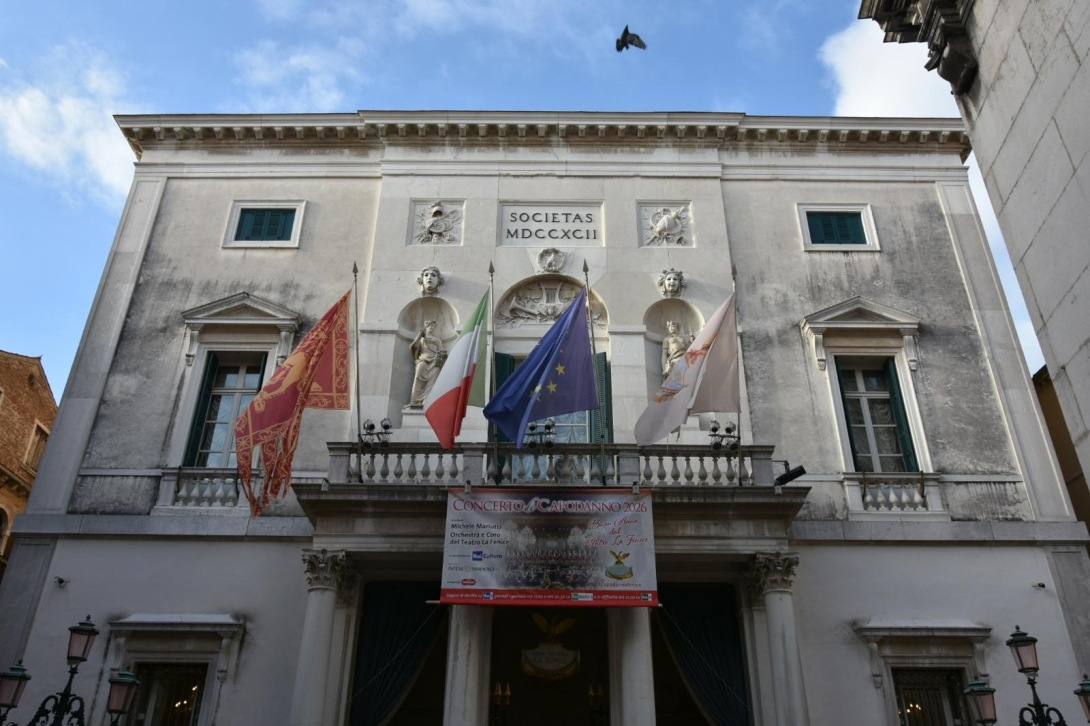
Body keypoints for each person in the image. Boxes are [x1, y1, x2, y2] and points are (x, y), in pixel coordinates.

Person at [409, 320, 447, 405]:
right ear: (426, 327)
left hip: (434, 363)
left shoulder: (437, 340)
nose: (433, 328)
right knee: (418, 378)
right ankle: (414, 400)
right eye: (431, 326)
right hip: (423, 361)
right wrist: (419, 335)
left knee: (432, 383)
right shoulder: (421, 338)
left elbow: (442, 350)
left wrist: (442, 354)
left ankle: (427, 400)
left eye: (434, 327)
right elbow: (412, 347)